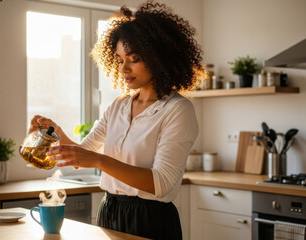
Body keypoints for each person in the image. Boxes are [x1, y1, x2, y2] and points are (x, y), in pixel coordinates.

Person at [28, 1, 205, 239]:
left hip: (150, 219)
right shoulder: (118, 106)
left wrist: (99, 161)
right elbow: (82, 155)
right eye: (120, 59)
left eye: (133, 58)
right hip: (109, 211)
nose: (124, 68)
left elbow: (161, 182)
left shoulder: (177, 110)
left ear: (158, 57)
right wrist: (56, 133)